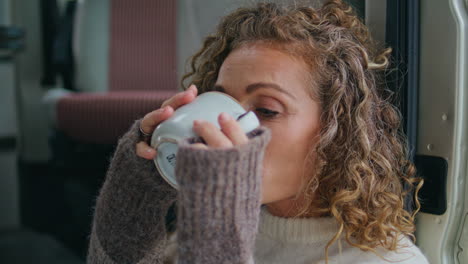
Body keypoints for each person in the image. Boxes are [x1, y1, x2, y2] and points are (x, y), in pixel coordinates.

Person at [87, 1, 429, 263]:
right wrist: (138, 192)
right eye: (220, 100)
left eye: (266, 111)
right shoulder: (196, 233)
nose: (227, 125)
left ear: (335, 133)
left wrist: (219, 241)